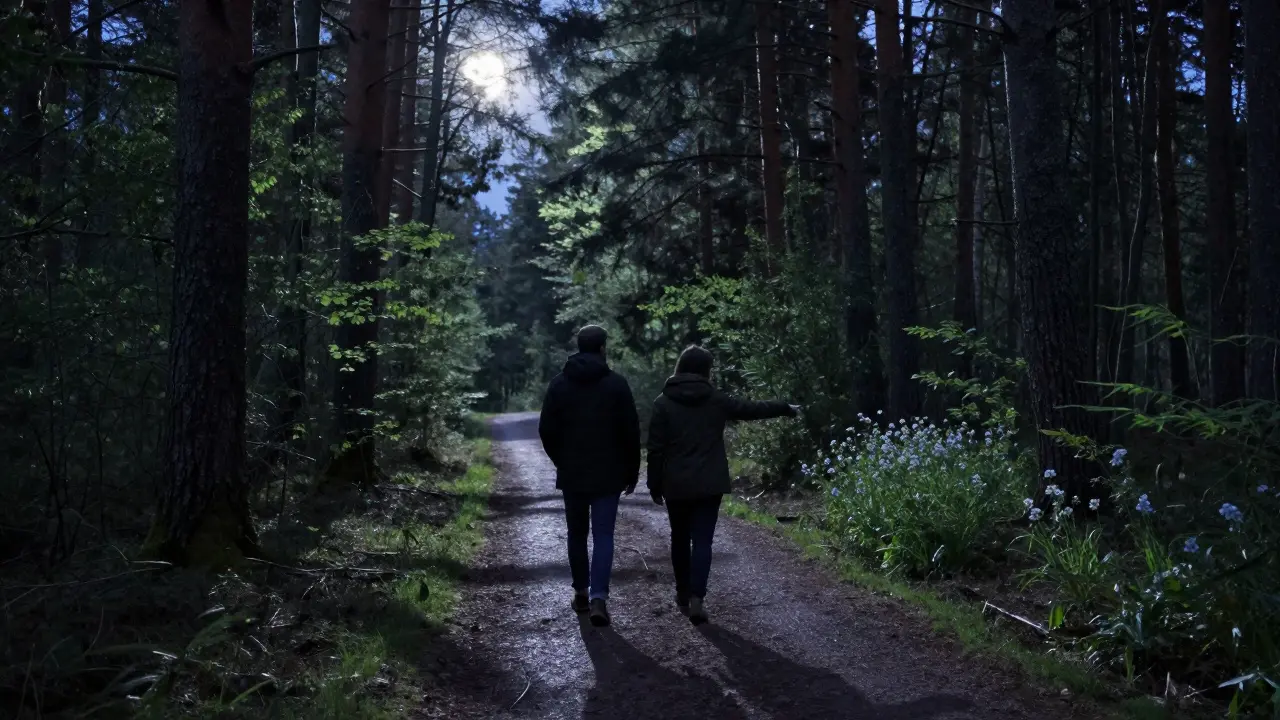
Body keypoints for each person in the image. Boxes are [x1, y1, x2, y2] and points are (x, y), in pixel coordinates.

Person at [646, 345, 798, 625]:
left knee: (679, 538)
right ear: (706, 370)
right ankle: (697, 599)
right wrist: (784, 407)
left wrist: (653, 484)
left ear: (679, 367)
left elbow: (655, 449)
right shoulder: (716, 400)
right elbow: (751, 409)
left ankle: (681, 592)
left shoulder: (662, 403)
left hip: (676, 483)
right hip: (709, 483)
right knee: (702, 541)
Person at [538, 325, 641, 627]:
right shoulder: (617, 385)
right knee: (604, 535)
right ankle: (599, 598)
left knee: (576, 534)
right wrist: (631, 470)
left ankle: (581, 592)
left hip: (573, 472)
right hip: (609, 473)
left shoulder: (559, 384)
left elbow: (546, 429)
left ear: (579, 346)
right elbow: (631, 432)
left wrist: (562, 459)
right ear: (602, 348)